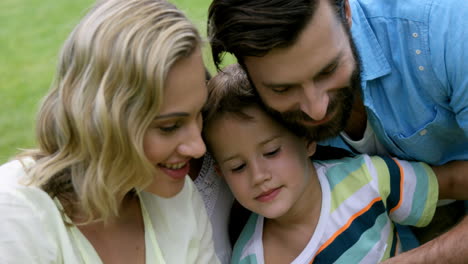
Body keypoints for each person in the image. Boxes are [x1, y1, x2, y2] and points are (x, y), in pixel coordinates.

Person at [207, 0, 468, 262]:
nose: (316, 110)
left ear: (346, 12)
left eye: (328, 70)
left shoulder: (442, 31)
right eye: (282, 89)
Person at [0, 0, 220, 263]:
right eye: (169, 127)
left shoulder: (179, 202)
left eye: (199, 114)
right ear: (100, 119)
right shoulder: (15, 214)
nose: (198, 148)